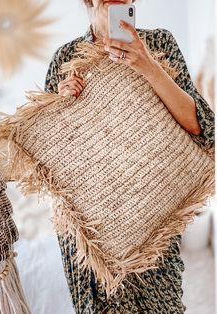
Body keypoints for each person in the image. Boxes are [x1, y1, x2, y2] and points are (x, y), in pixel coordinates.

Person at [44, 1, 215, 313]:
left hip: (148, 216)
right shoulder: (65, 58)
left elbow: (201, 128)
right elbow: (53, 157)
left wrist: (147, 63)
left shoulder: (159, 43)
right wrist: (60, 106)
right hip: (90, 228)